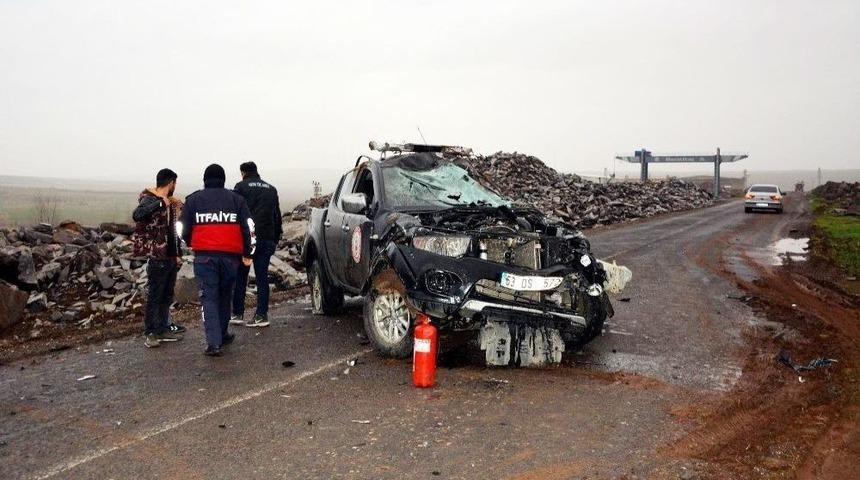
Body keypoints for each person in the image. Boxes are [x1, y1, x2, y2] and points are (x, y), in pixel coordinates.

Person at [179, 164, 254, 356]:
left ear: (205, 180)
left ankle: (214, 342)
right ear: (223, 179)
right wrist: (248, 254)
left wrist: (190, 241)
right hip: (231, 258)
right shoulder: (237, 200)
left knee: (209, 298)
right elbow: (249, 228)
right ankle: (222, 333)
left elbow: (181, 228)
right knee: (225, 295)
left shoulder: (193, 200)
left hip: (204, 257)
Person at [132, 168, 185, 348]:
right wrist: (160, 204)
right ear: (171, 183)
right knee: (155, 294)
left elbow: (172, 230)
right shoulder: (149, 199)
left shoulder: (170, 203)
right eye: (174, 184)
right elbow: (138, 214)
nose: (175, 187)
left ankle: (163, 328)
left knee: (166, 294)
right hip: (156, 255)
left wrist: (177, 254)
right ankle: (151, 333)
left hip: (169, 254)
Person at [231, 161, 282, 327]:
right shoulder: (271, 189)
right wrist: (275, 239)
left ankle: (237, 313)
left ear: (243, 172)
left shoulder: (240, 187)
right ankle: (261, 315)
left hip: (246, 239)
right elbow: (277, 216)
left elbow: (235, 214)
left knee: (241, 276)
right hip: (266, 238)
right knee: (262, 277)